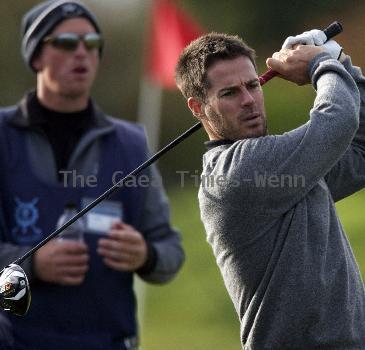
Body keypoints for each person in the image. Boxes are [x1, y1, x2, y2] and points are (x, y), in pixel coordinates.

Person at [0, 1, 184, 349]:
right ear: (36, 56)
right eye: (68, 43)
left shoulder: (132, 144)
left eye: (93, 44)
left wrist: (145, 254)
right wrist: (32, 263)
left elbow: (169, 249)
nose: (82, 53)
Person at [175, 31, 365, 348]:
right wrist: (323, 61)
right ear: (197, 107)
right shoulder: (235, 172)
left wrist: (342, 63)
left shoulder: (289, 168)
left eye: (253, 85)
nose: (248, 100)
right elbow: (339, 120)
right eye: (229, 93)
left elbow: (359, 147)